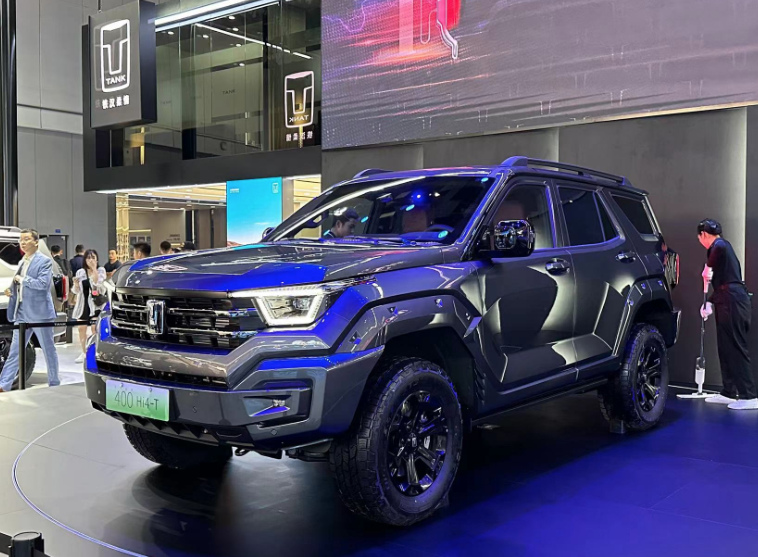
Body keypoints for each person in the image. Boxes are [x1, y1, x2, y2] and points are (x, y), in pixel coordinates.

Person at [698, 218, 758, 410]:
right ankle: (728, 391)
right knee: (725, 347)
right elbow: (722, 285)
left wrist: (708, 267)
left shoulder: (720, 246)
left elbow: (719, 247)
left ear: (703, 235)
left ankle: (749, 396)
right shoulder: (719, 250)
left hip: (734, 301)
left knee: (736, 346)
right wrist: (709, 302)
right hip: (725, 300)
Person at [0, 229, 60, 392]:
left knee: (49, 350)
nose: (23, 242)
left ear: (36, 242)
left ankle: (54, 383)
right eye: (21, 240)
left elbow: (42, 285)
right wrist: (11, 291)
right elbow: (19, 285)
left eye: (26, 239)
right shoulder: (23, 262)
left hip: (40, 314)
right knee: (15, 351)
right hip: (21, 312)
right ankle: (3, 384)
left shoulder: (44, 261)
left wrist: (22, 279)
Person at [72, 249, 106, 364]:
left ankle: (95, 352)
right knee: (81, 328)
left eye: (93, 257)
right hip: (83, 304)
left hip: (95, 305)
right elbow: (76, 291)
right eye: (88, 258)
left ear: (97, 259)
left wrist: (94, 269)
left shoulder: (101, 270)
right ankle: (84, 352)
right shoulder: (80, 272)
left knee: (94, 328)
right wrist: (76, 284)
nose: (90, 260)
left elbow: (98, 286)